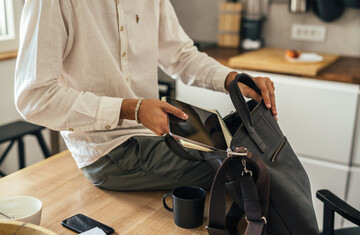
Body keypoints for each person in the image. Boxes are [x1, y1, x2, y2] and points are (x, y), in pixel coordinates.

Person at [15, 0, 276, 191]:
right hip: (108, 150)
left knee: (255, 147)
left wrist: (233, 80)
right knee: (247, 169)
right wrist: (133, 109)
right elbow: (35, 97)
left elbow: (180, 56)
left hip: (156, 137)